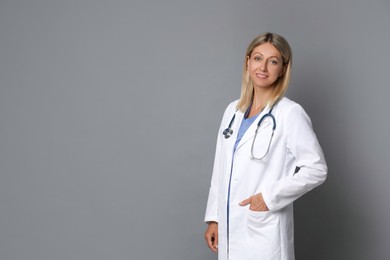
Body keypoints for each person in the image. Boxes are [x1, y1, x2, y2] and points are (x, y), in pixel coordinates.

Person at [204, 32, 327, 260]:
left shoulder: (290, 113)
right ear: (248, 61)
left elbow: (316, 169)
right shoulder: (233, 111)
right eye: (258, 58)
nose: (263, 67)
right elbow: (219, 169)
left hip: (264, 231)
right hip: (230, 228)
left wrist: (268, 198)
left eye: (273, 61)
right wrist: (214, 217)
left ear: (283, 68)